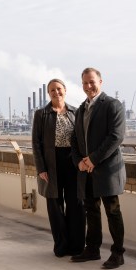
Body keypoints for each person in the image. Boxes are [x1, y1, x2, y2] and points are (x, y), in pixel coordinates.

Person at [70, 67, 127, 269]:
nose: (88, 86)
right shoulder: (80, 110)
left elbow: (116, 137)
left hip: (107, 170)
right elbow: (74, 139)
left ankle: (118, 254)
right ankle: (92, 249)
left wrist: (92, 160)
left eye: (91, 82)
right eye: (84, 83)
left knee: (113, 211)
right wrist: (79, 161)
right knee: (91, 210)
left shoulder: (112, 105)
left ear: (100, 82)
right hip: (86, 170)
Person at [32, 78, 86, 257]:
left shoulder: (75, 112)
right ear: (48, 93)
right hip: (51, 163)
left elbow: (81, 139)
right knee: (55, 206)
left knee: (75, 204)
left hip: (72, 162)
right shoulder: (41, 114)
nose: (56, 92)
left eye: (59, 89)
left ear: (65, 90)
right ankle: (61, 245)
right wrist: (41, 168)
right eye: (52, 90)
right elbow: (36, 144)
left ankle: (77, 246)